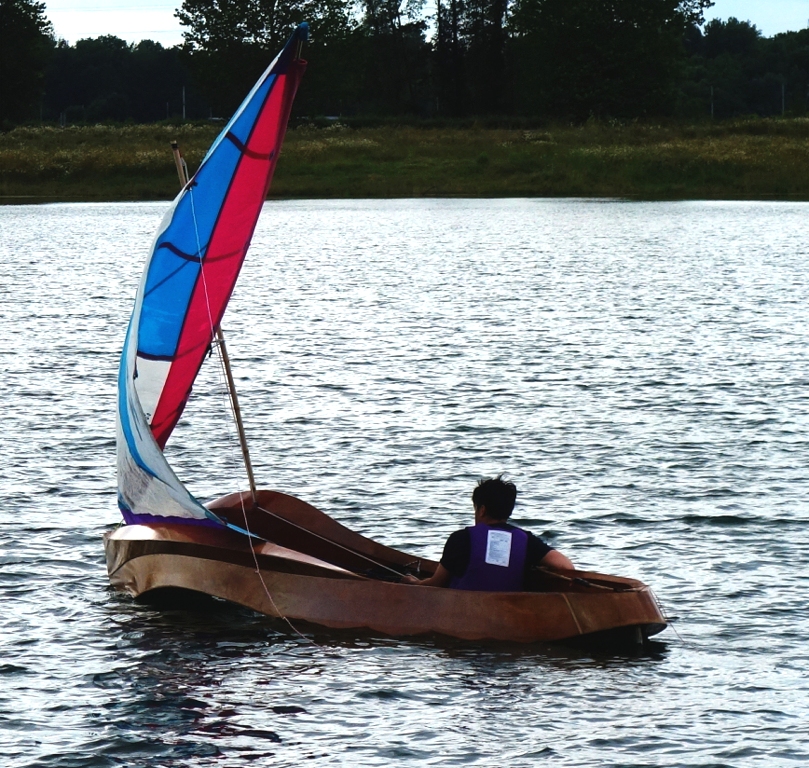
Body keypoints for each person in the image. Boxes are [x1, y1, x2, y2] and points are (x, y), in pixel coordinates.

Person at [402, 476, 573, 590]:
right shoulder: (526, 540)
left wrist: (413, 583)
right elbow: (565, 566)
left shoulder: (461, 539)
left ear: (482, 510)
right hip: (508, 609)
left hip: (464, 611)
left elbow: (436, 585)